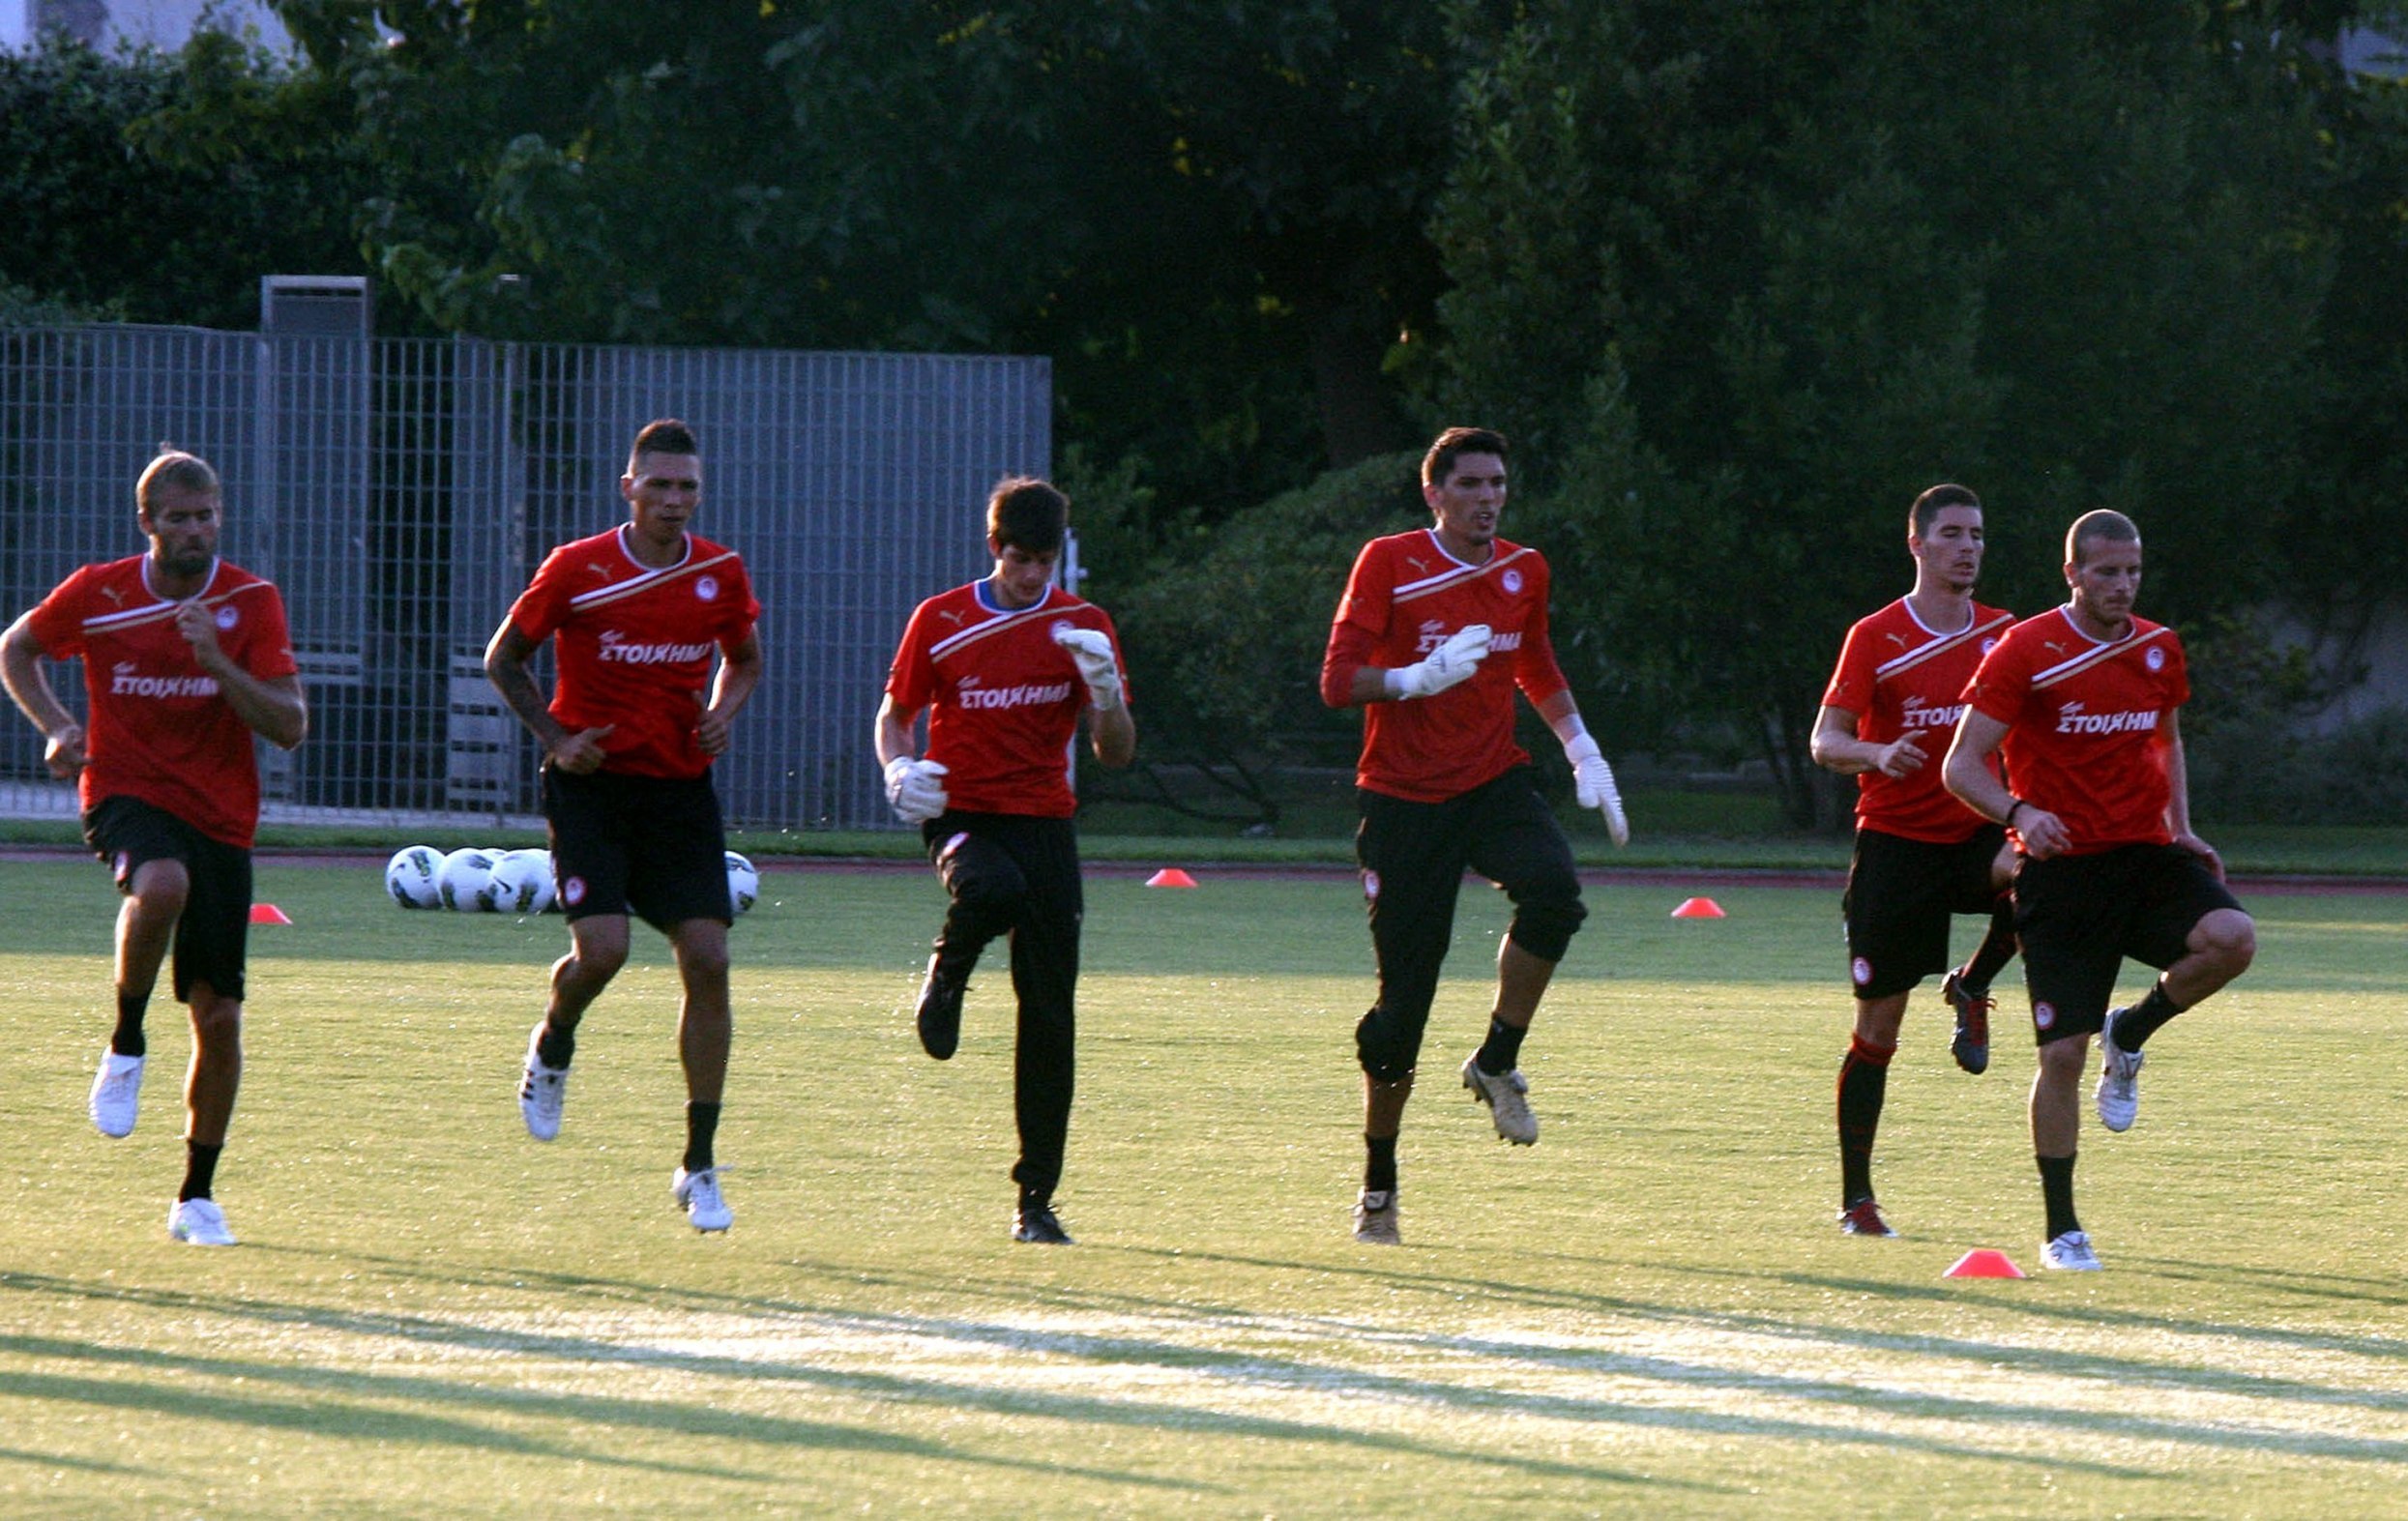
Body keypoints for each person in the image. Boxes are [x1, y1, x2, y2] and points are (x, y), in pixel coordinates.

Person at [1318, 425, 1628, 1247]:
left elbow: (1536, 661)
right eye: (1471, 484)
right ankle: (1379, 1183)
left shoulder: (1523, 568)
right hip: (1403, 799)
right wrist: (1412, 680)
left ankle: (1496, 1061)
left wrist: (1579, 744)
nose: (1489, 497)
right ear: (1435, 493)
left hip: (1492, 780)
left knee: (1557, 894)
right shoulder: (1389, 562)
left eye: (1498, 484)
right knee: (1400, 1015)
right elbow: (1336, 680)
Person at [1, 449, 308, 1246]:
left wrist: (215, 660)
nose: (196, 529)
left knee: (222, 1017)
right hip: (125, 795)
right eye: (179, 517)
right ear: (148, 524)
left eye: (207, 514)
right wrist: (60, 728)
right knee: (160, 884)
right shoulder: (101, 592)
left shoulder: (251, 601)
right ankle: (127, 1040)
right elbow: (17, 648)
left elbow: (289, 723)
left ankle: (196, 1196)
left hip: (222, 819)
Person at [1943, 509, 2255, 1272]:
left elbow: (2167, 739)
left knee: (2233, 939)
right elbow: (1961, 766)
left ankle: (2134, 1032)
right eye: (2107, 571)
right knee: (2062, 1058)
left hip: (2147, 858)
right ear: (2073, 573)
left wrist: (2181, 823)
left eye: (2133, 572)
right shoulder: (2026, 651)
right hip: (2062, 873)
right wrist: (2020, 813)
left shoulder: (2157, 648)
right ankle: (2063, 1229)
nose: (2122, 585)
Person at [485, 418, 763, 1234]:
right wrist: (557, 739)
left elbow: (744, 659)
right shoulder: (577, 568)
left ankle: (699, 1163)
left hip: (678, 792)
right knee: (602, 952)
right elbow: (506, 658)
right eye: (659, 486)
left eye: (687, 489)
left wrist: (721, 712)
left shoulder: (719, 571)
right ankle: (554, 1038)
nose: (673, 501)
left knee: (708, 959)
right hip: (593, 787)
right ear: (629, 487)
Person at [874, 477, 1134, 1245]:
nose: (1031, 576)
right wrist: (897, 768)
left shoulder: (1082, 625)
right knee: (992, 886)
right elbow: (896, 716)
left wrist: (1107, 692)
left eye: (1044, 562)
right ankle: (947, 972)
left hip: (1045, 823)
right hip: (962, 815)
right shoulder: (943, 618)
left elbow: (1114, 753)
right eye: (1019, 559)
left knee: (1051, 1015)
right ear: (995, 548)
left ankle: (1036, 1199)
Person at [1808, 483, 2020, 1239]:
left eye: (1979, 534)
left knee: (2039, 868)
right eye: (1955, 533)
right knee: (1878, 1027)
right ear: (1919, 545)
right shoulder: (1876, 635)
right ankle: (1857, 1199)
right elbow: (1824, 741)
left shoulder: (2005, 633)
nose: (1969, 547)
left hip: (1975, 834)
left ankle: (1974, 985)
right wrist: (1875, 751)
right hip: (1896, 846)